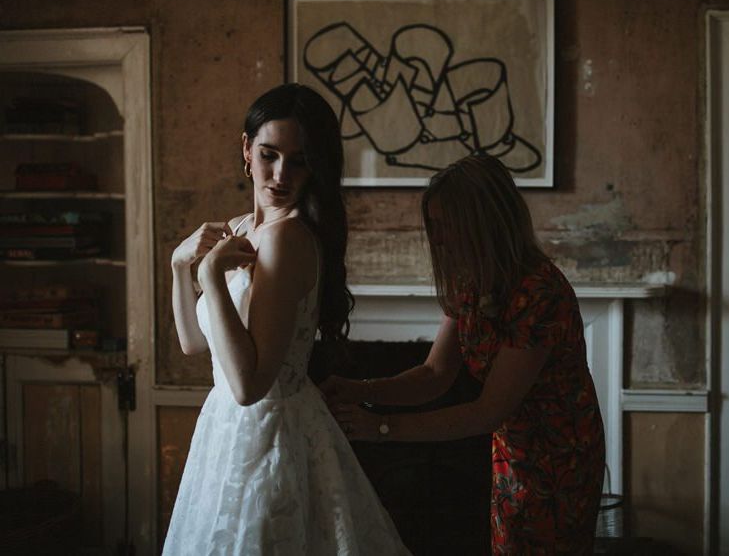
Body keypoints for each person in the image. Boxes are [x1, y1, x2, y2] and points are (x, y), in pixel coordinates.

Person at [163, 83, 410, 555]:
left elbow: (249, 387)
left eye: (298, 161)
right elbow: (194, 343)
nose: (280, 175)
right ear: (246, 149)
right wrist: (179, 266)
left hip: (268, 436)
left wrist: (211, 275)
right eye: (268, 155)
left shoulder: (286, 239)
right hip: (224, 430)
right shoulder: (241, 228)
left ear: (316, 166)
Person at [322, 153, 606, 555]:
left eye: (447, 226)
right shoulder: (471, 283)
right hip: (512, 451)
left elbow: (488, 411)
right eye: (433, 226)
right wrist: (357, 389)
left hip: (559, 458)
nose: (437, 239)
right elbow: (433, 374)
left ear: (484, 223)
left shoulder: (539, 293)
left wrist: (381, 427)